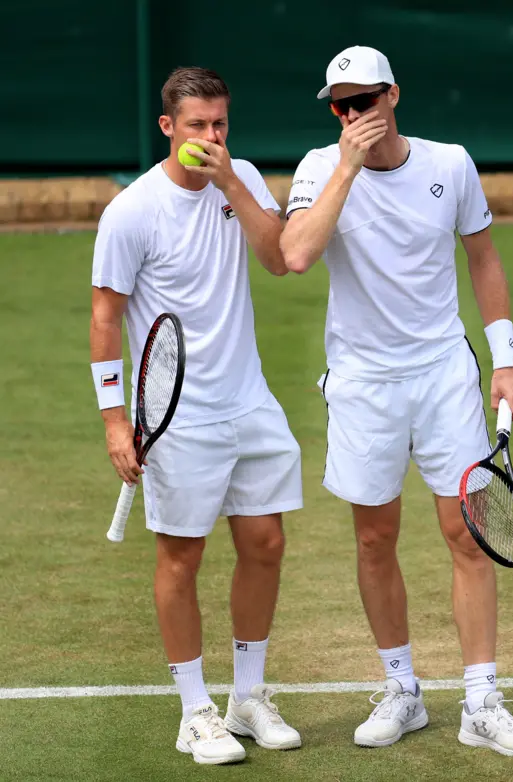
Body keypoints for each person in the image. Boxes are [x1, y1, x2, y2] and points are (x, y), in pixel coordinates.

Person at [280, 46, 513, 758]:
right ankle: (402, 690)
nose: (354, 114)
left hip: (443, 376)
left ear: (393, 95)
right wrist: (344, 164)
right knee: (375, 538)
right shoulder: (317, 167)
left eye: (365, 100)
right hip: (363, 383)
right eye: (341, 104)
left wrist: (507, 360)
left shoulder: (450, 164)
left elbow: (483, 258)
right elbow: (297, 254)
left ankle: (482, 701)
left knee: (466, 535)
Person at [90, 66, 302, 765]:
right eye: (197, 127)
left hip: (251, 403)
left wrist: (234, 183)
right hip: (176, 417)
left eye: (220, 125)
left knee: (265, 544)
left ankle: (247, 697)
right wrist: (117, 421)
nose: (211, 138)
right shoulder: (131, 212)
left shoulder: (237, 178)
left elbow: (279, 260)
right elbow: (105, 316)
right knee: (182, 558)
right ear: (167, 129)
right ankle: (194, 711)